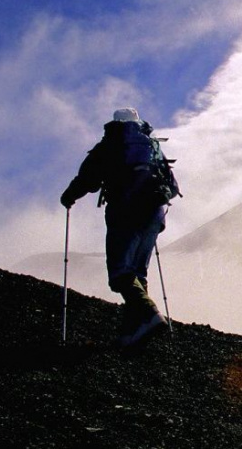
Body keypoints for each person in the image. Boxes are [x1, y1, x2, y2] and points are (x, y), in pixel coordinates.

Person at [60, 108, 170, 347]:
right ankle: (132, 333)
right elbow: (170, 182)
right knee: (138, 274)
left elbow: (88, 178)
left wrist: (69, 196)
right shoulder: (152, 147)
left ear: (115, 123)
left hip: (125, 212)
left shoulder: (111, 144)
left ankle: (150, 315)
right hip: (154, 214)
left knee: (120, 272)